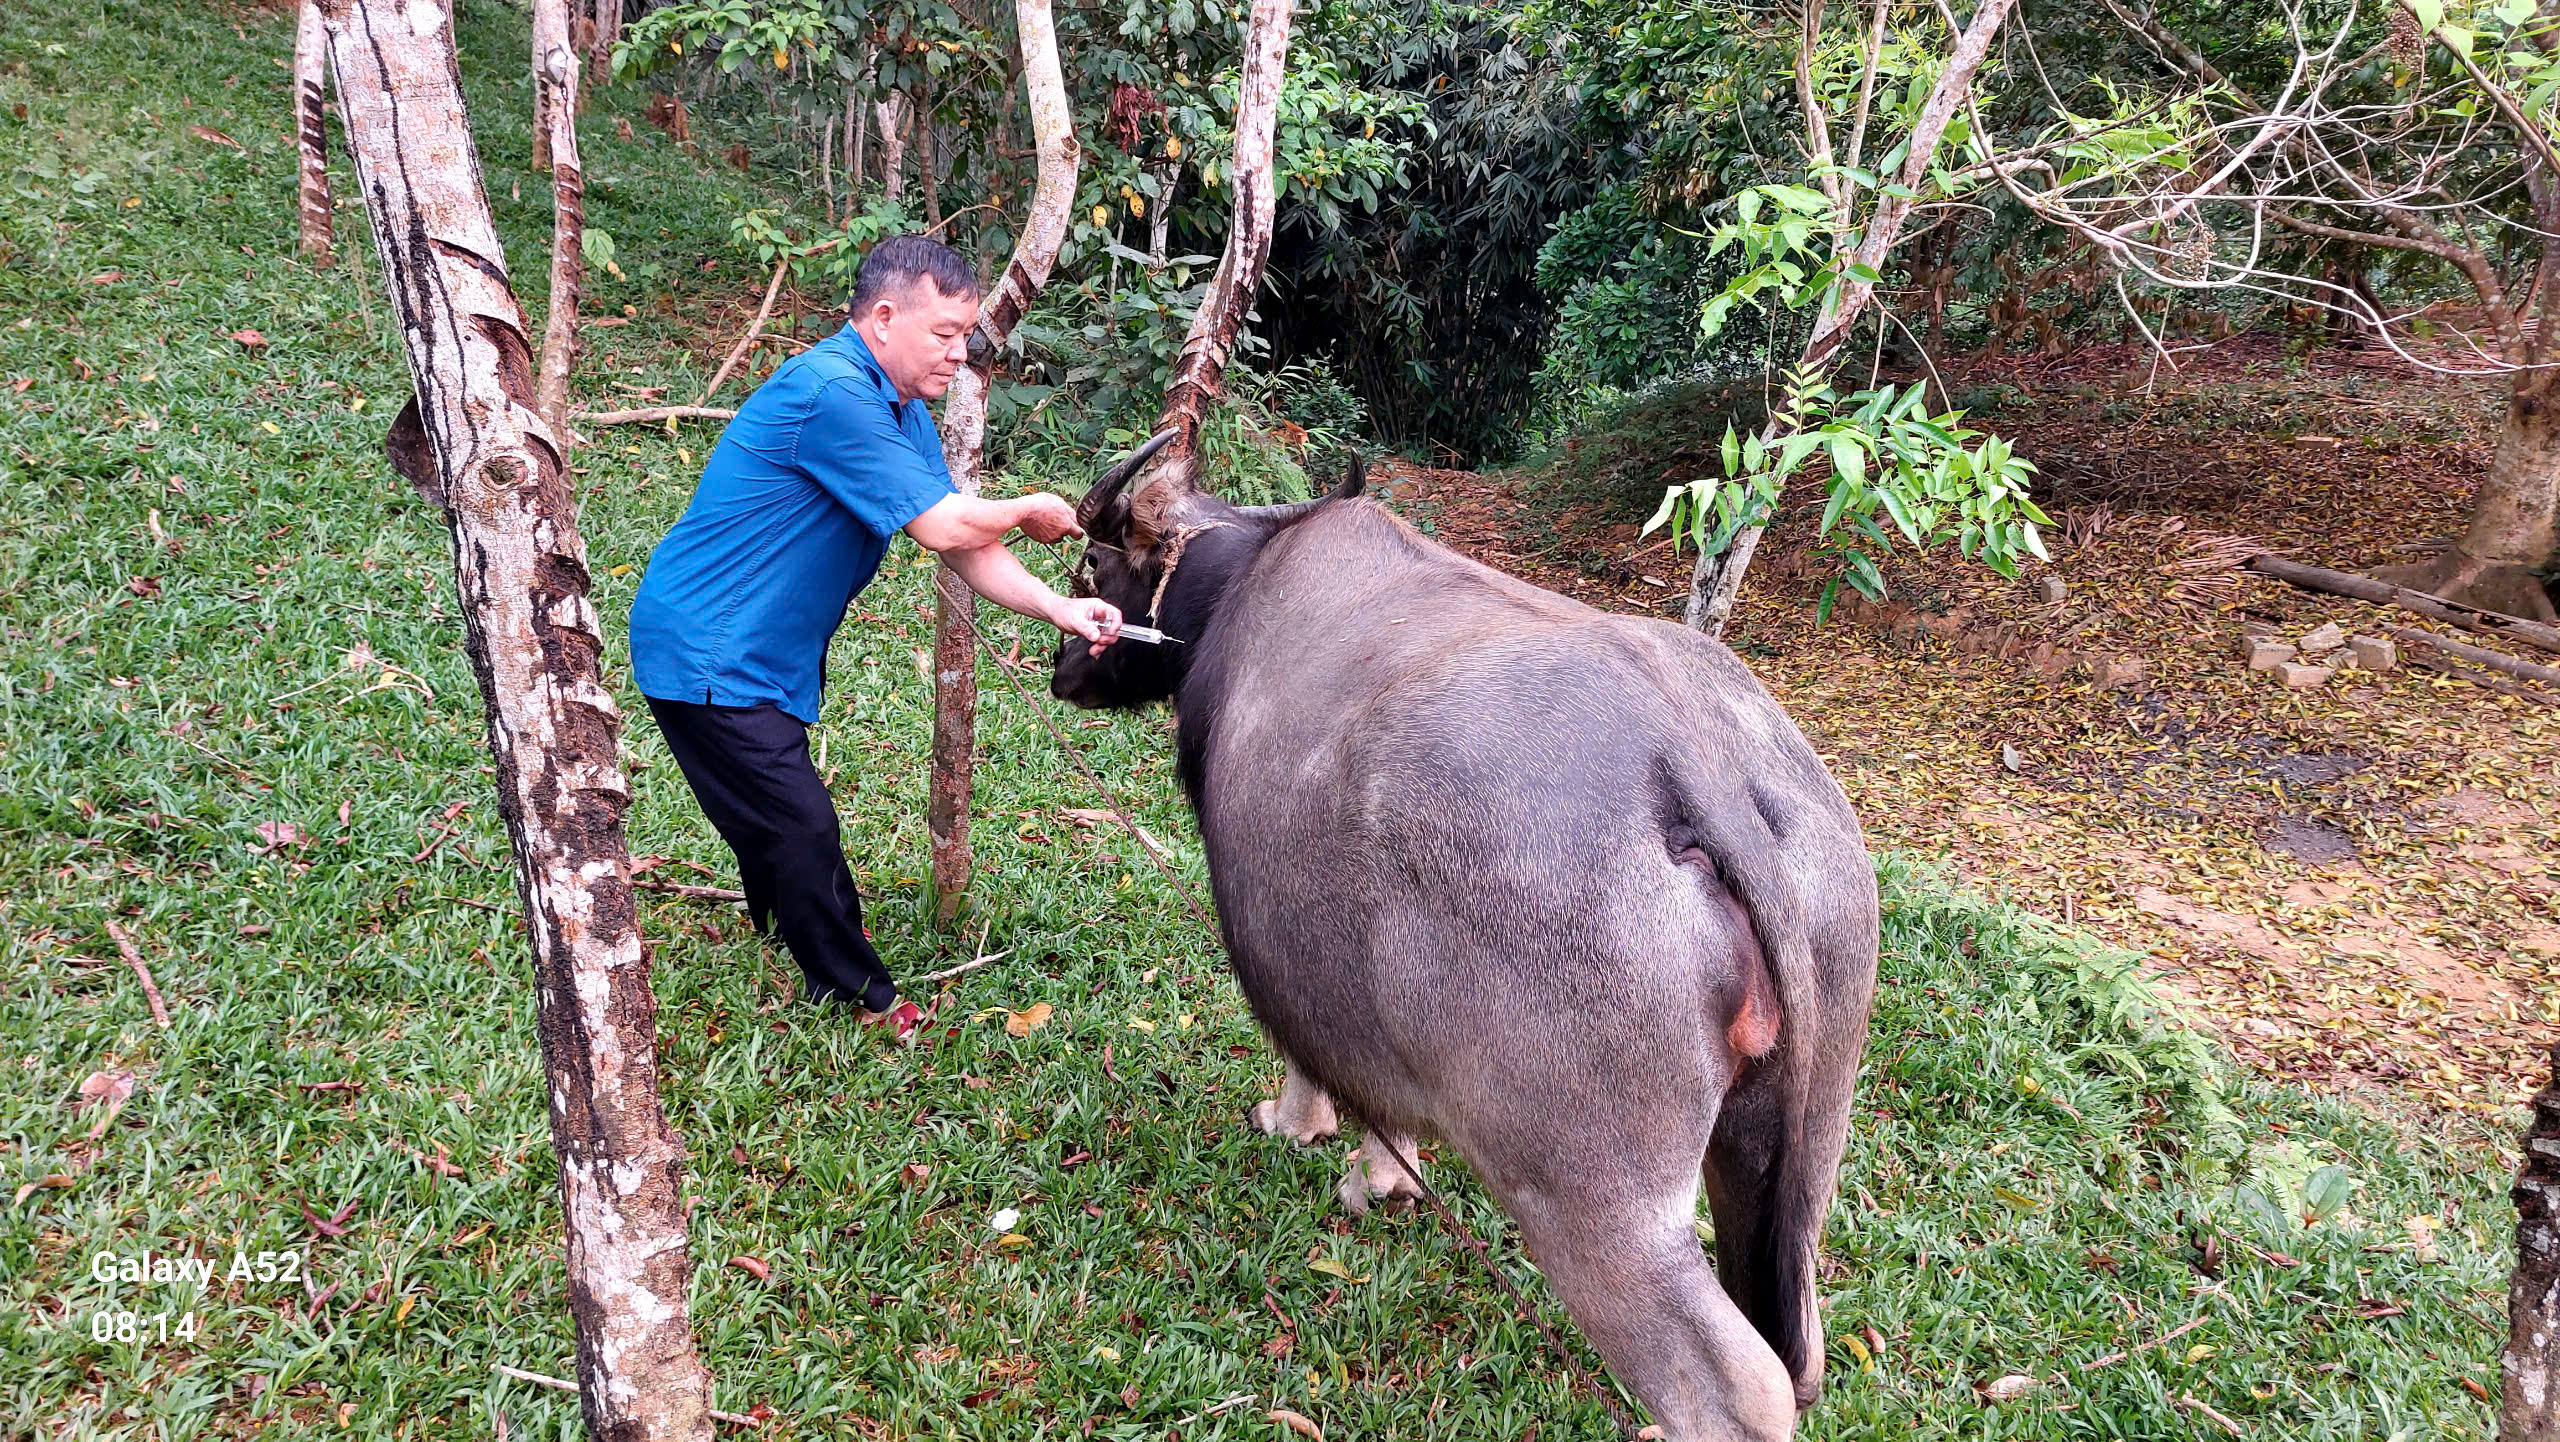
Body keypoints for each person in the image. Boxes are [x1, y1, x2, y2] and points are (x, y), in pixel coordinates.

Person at [628, 234, 1122, 1037]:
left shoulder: (903, 412)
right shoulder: (832, 392)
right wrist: (1026, 507)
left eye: (966, 337)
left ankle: (779, 917)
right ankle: (861, 994)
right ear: (884, 317)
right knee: (800, 823)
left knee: (770, 809)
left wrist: (1061, 611)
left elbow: (965, 541)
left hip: (764, 652)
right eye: (944, 335)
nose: (958, 355)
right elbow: (945, 523)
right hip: (708, 647)